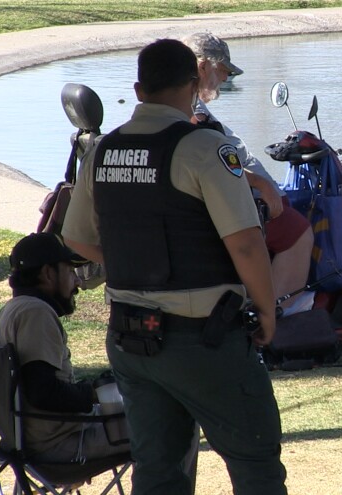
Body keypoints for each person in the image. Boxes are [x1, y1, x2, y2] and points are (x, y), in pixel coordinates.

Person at [61, 39, 287, 495]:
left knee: (158, 470)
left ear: (138, 89)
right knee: (255, 462)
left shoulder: (104, 151)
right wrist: (266, 311)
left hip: (130, 340)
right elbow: (245, 244)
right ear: (191, 85)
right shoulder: (207, 148)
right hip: (203, 339)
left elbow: (76, 238)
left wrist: (131, 261)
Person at [182, 32, 315, 315]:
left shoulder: (189, 102)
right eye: (223, 72)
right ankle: (274, 313)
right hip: (238, 204)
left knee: (288, 210)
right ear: (202, 66)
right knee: (297, 231)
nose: (225, 80)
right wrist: (260, 184)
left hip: (239, 197)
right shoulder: (191, 110)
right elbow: (207, 162)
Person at [0, 232, 130, 463]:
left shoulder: (9, 311)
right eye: (71, 272)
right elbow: (44, 392)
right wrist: (94, 392)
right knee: (170, 424)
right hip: (58, 444)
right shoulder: (36, 314)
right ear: (48, 274)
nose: (78, 282)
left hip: (27, 440)